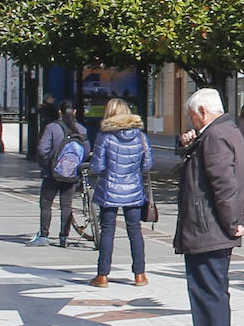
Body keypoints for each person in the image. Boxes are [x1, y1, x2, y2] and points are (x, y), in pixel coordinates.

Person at [174, 88, 244, 326]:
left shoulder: (215, 136)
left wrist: (232, 223)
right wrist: (187, 145)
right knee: (212, 291)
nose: (191, 122)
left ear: (202, 112)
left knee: (208, 292)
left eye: (192, 116)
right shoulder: (225, 131)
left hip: (209, 229)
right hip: (212, 228)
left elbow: (224, 185)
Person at [88, 99, 154, 288]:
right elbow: (148, 164)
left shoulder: (105, 137)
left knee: (108, 231)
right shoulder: (140, 137)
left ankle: (102, 276)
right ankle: (140, 274)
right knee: (135, 231)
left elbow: (98, 166)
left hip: (109, 190)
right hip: (133, 190)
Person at [29, 100, 89, 248]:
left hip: (52, 173)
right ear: (74, 112)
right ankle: (64, 237)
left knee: (46, 203)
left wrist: (46, 164)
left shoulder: (52, 128)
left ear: (59, 112)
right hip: (71, 174)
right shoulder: (81, 129)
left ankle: (44, 235)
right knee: (66, 205)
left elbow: (43, 150)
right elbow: (86, 151)